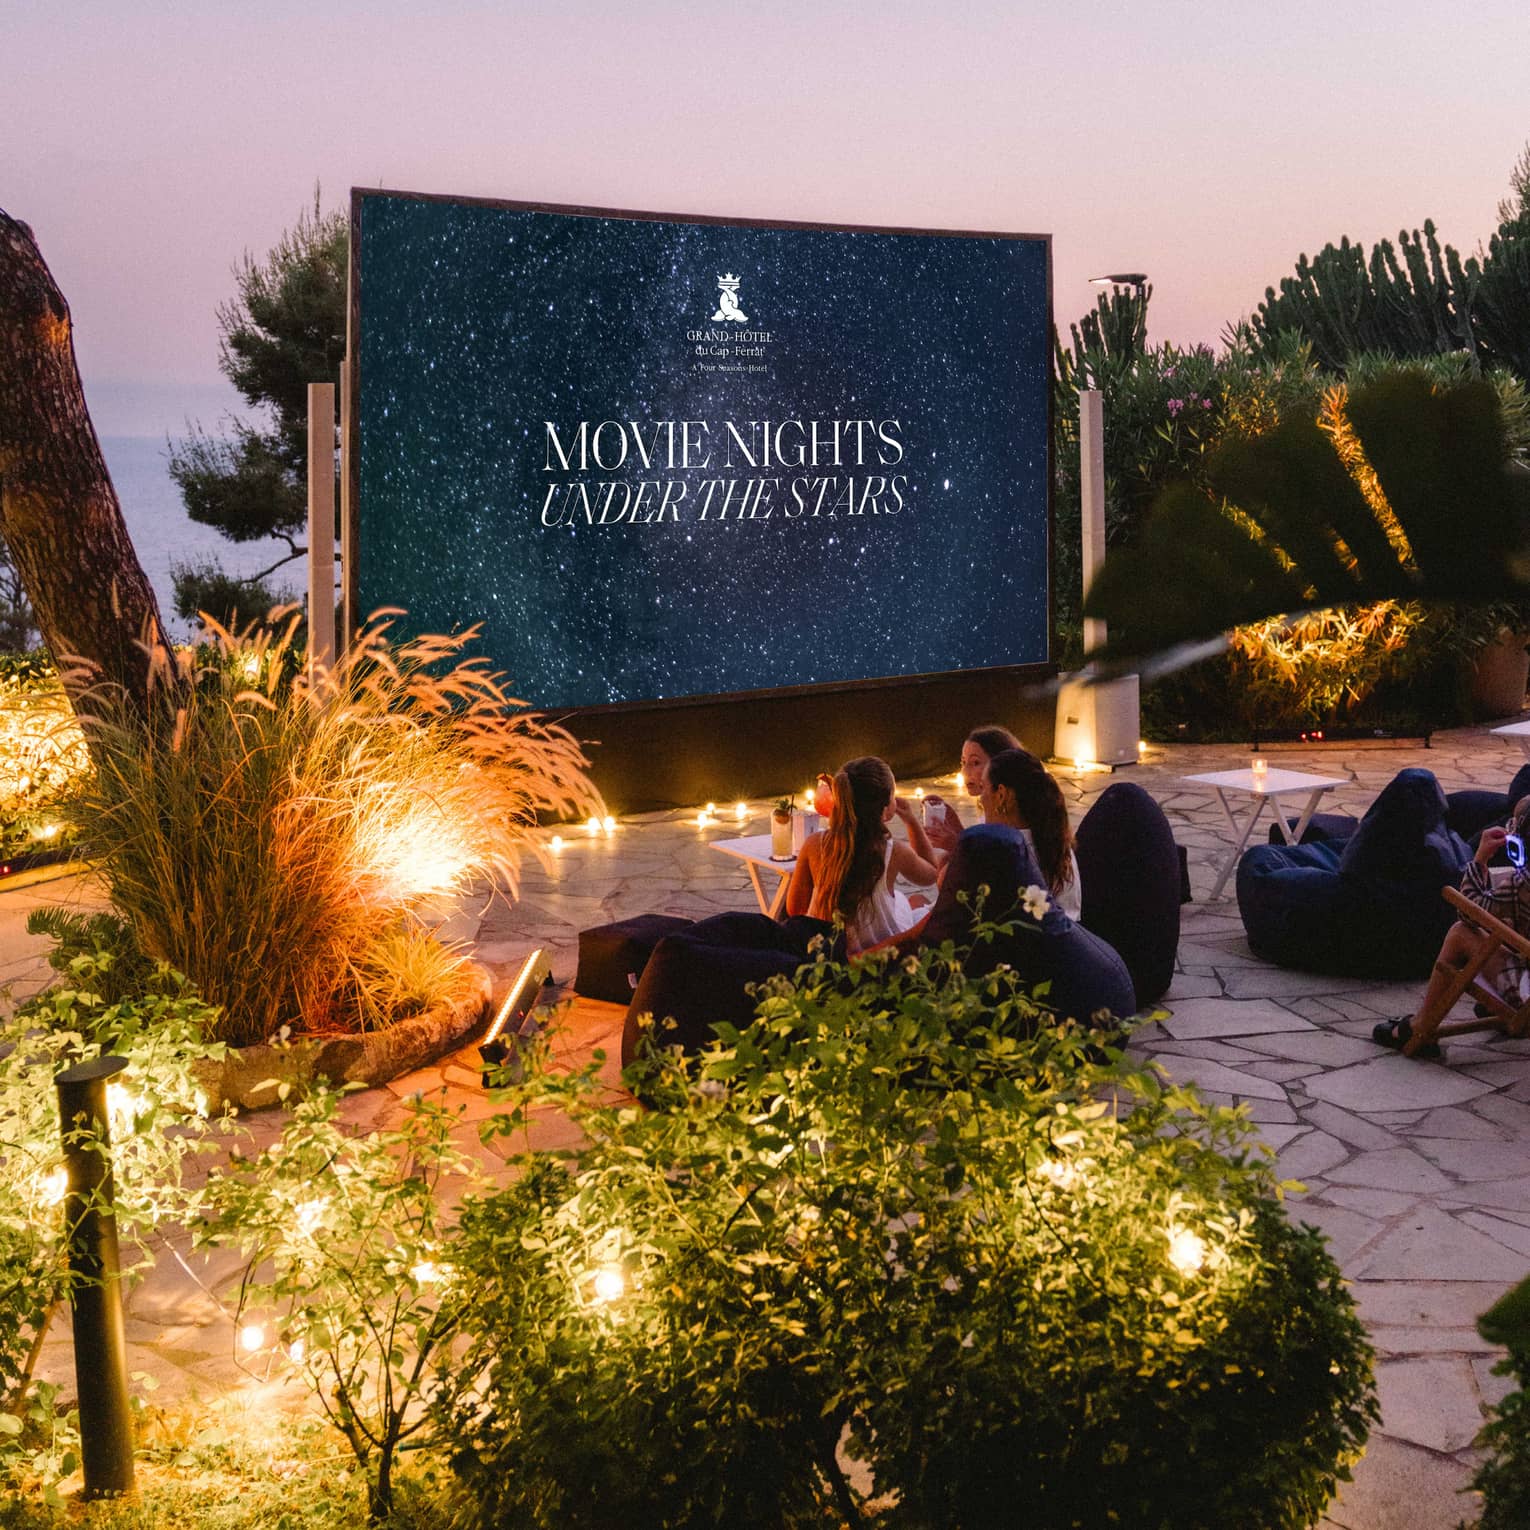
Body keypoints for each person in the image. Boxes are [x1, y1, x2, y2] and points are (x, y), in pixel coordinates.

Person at [1373, 796, 1530, 1058]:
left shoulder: (1522, 883)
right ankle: (1496, 1009)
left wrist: (1479, 860)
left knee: (1461, 932)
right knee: (1509, 925)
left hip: (1526, 993)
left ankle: (1420, 1027)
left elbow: (1472, 912)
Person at [786, 756, 939, 952]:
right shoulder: (892, 851)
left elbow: (794, 908)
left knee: (907, 901)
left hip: (827, 949)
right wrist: (911, 820)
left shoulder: (814, 844)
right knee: (919, 902)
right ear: (885, 805)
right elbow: (931, 874)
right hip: (879, 951)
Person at [980, 747, 1081, 919]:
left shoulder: (1006, 853)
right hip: (1067, 940)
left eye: (983, 788)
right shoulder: (1055, 840)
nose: (980, 798)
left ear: (1001, 795)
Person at [924, 725, 1023, 857]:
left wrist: (955, 845)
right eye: (963, 762)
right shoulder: (990, 806)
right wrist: (953, 821)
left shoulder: (1012, 814)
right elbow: (979, 845)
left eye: (975, 763)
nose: (965, 772)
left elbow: (995, 862)